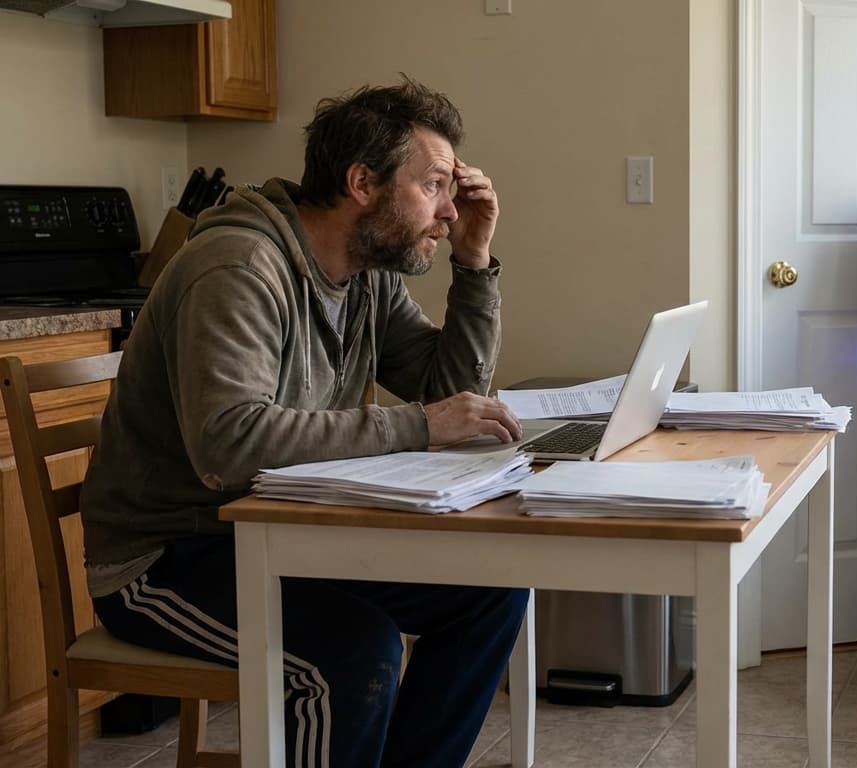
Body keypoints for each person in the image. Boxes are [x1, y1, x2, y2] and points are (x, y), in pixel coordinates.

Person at [79, 77, 527, 768]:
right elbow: (227, 447)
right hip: (170, 554)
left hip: (283, 533)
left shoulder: (365, 273)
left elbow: (452, 398)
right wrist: (418, 425)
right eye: (435, 185)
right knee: (352, 655)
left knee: (490, 592)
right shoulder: (239, 265)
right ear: (361, 183)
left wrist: (472, 262)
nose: (447, 211)